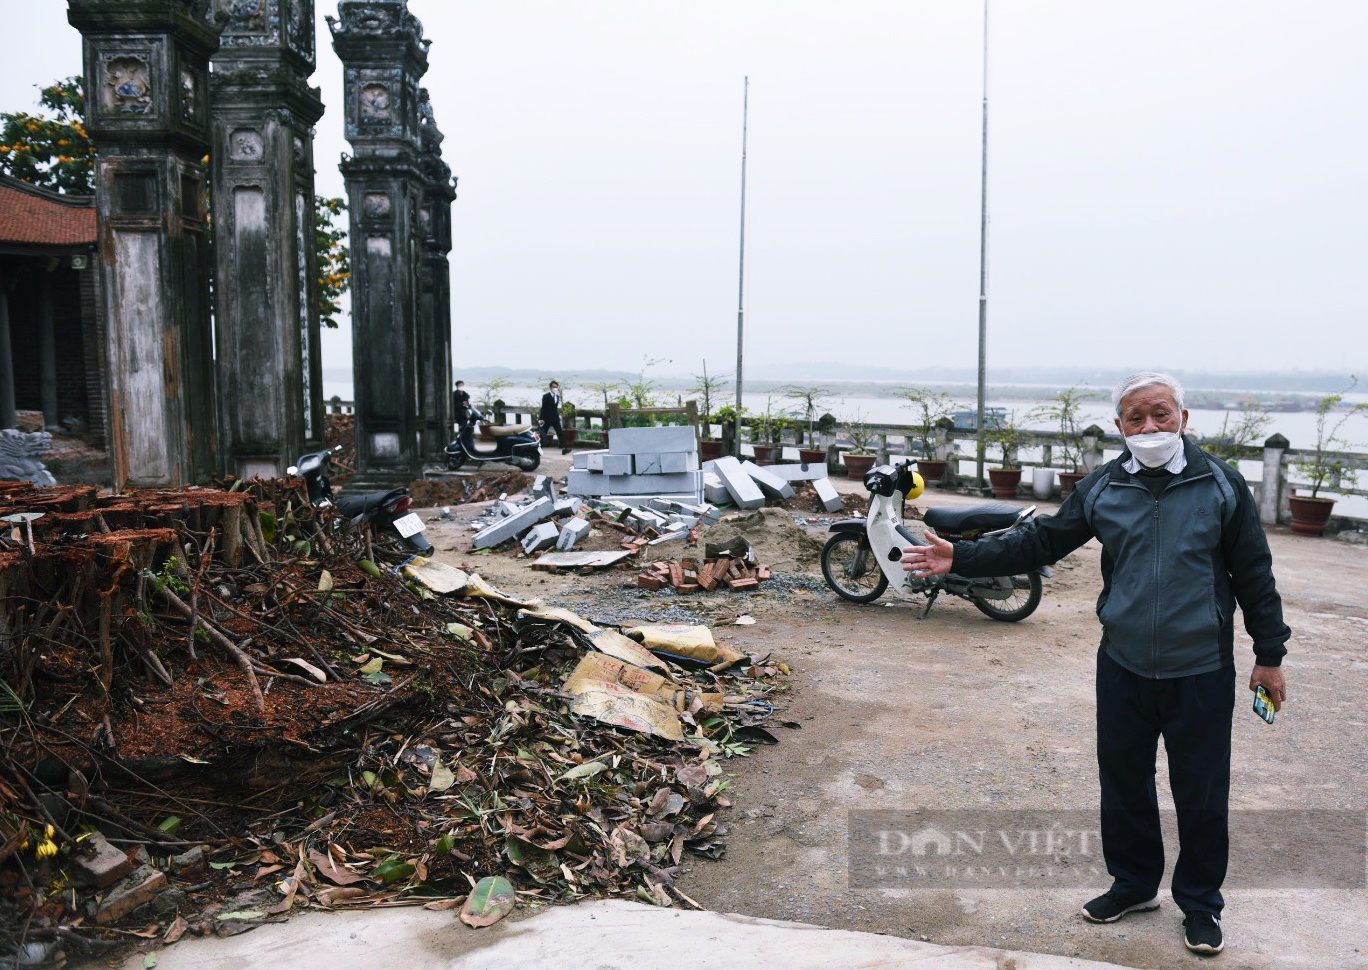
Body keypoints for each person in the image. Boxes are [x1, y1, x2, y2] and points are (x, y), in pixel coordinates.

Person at [900, 372, 1289, 959]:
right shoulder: (1104, 487)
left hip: (1200, 668)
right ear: (1120, 427)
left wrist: (1269, 655)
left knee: (1201, 792)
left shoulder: (1221, 484)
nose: (1150, 427)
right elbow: (1042, 541)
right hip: (1124, 663)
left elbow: (1254, 574)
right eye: (1137, 418)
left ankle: (1202, 904)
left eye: (1161, 414)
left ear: (1184, 417)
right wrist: (966, 554)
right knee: (1124, 781)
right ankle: (1134, 885)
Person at [539, 380, 570, 455]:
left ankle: (565, 448)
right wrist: (541, 418)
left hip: (555, 418)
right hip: (547, 418)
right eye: (553, 387)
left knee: (560, 433)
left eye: (556, 387)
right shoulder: (546, 396)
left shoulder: (557, 396)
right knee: (543, 434)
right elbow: (543, 408)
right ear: (550, 387)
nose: (555, 388)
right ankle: (537, 447)